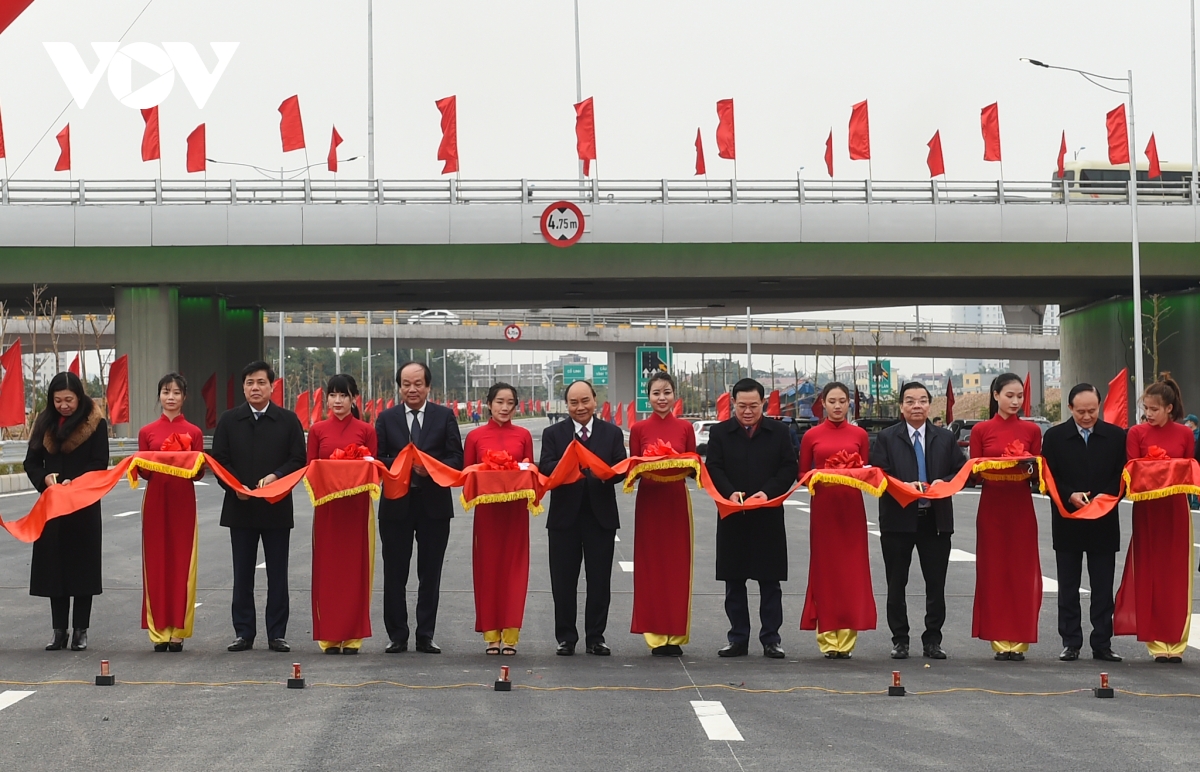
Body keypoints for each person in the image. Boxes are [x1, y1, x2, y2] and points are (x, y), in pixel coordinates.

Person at [211, 361, 306, 653]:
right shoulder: (229, 420)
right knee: (242, 574)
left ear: (272, 386)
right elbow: (219, 460)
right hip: (240, 508)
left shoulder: (288, 420)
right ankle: (243, 633)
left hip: (276, 507)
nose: (255, 387)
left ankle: (277, 634)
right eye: (250, 382)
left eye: (261, 382)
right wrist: (235, 487)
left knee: (277, 574)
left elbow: (298, 459)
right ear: (243, 387)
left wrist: (276, 476)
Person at [870, 381, 965, 660]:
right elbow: (878, 473)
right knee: (896, 583)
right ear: (901, 406)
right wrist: (903, 485)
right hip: (898, 520)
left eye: (922, 401)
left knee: (936, 584)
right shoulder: (887, 437)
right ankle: (900, 639)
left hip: (935, 520)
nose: (916, 406)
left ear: (929, 405)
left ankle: (932, 639)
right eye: (910, 401)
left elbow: (961, 471)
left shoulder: (944, 438)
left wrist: (944, 481)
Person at [705, 378, 799, 659]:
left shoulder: (779, 432)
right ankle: (738, 638)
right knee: (734, 581)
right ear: (733, 403)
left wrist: (767, 492)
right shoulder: (720, 433)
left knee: (770, 581)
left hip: (767, 515)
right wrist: (729, 492)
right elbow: (713, 467)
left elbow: (788, 468)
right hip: (732, 515)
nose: (747, 411)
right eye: (742, 406)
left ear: (763, 404)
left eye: (754, 406)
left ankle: (771, 639)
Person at [375, 362, 464, 654]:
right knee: (394, 573)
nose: (412, 389)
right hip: (396, 506)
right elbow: (377, 459)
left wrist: (430, 467)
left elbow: (456, 459)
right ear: (399, 387)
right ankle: (397, 634)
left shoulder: (444, 416)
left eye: (418, 384)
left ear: (428, 387)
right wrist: (404, 464)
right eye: (406, 384)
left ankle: (425, 635)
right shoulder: (386, 418)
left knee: (430, 573)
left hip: (434, 506)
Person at [539, 380, 627, 656]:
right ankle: (566, 637)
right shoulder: (553, 433)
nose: (580, 407)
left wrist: (599, 469)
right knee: (563, 581)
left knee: (599, 581)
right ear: (566, 405)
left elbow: (621, 468)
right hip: (564, 519)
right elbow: (546, 467)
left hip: (600, 518)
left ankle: (595, 637)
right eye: (574, 402)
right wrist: (572, 464)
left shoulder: (612, 433)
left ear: (594, 401)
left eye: (585, 401)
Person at [24, 372, 109, 652]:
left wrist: (77, 482)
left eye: (69, 400)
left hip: (83, 505)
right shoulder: (44, 422)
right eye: (58, 400)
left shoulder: (95, 423)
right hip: (53, 507)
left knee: (82, 568)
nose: (63, 405)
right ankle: (59, 630)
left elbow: (100, 462)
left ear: (79, 398)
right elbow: (31, 462)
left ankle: (81, 630)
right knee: (54, 568)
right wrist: (45, 479)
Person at [1041, 383, 1125, 663]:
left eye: (1092, 410)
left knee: (1102, 587)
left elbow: (1122, 474)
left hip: (1103, 521)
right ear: (1070, 408)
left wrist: (1105, 496)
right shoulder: (1054, 437)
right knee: (1068, 586)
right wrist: (1069, 495)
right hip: (1068, 521)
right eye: (1081, 412)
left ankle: (1102, 643)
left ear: (1099, 406)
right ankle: (1071, 642)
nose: (1087, 416)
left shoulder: (1115, 436)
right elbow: (1048, 477)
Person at [1114, 374, 1195, 662]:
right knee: (1150, 572)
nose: (1148, 414)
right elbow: (1132, 470)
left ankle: (1176, 641)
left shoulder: (1185, 434)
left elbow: (1188, 470)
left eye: (1154, 409)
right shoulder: (1136, 433)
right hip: (1147, 510)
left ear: (1169, 408)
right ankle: (1157, 642)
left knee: (1177, 574)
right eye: (1145, 408)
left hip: (1175, 509)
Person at [798, 382, 875, 659]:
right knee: (826, 572)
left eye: (843, 401)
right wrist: (821, 477)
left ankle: (848, 640)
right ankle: (828, 639)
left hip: (852, 510)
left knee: (852, 573)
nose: (838, 406)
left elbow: (865, 470)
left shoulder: (860, 435)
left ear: (849, 403)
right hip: (824, 510)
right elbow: (802, 474)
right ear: (823, 403)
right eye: (832, 401)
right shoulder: (811, 436)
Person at [969, 373, 1044, 661]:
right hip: (992, 507)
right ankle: (1000, 641)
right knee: (994, 571)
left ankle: (1020, 640)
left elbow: (1037, 472)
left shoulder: (1032, 431)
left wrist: (1026, 466)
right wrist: (993, 466)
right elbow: (974, 472)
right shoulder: (981, 430)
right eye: (1009, 395)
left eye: (1019, 396)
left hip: (1021, 506)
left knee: (1022, 572)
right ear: (996, 395)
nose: (1015, 401)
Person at [627, 372, 697, 657]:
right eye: (656, 393)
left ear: (674, 395)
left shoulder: (685, 428)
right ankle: (655, 635)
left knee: (678, 566)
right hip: (650, 501)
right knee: (651, 565)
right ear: (648, 397)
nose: (662, 398)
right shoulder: (638, 429)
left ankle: (675, 634)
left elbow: (693, 465)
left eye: (667, 392)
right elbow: (632, 467)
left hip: (676, 500)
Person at [306, 374, 377, 655]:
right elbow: (310, 468)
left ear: (353, 399)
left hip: (357, 509)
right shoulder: (317, 430)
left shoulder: (366, 430)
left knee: (355, 569)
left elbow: (373, 469)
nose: (337, 401)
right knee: (328, 570)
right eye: (333, 395)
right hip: (327, 508)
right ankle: (330, 636)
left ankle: (353, 636)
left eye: (343, 395)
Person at [463, 382, 534, 655]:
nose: (505, 408)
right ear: (489, 404)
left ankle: (511, 636)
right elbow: (467, 473)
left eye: (510, 403)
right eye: (499, 402)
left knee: (515, 571)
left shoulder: (523, 435)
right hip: (487, 513)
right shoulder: (475, 437)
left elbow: (529, 470)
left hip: (516, 512)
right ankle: (491, 636)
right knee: (488, 570)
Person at [137, 373, 205, 652]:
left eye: (176, 392)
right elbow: (143, 472)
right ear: (159, 396)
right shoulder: (147, 432)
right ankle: (158, 631)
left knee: (182, 563)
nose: (171, 397)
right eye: (166, 392)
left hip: (183, 503)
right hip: (155, 502)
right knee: (156, 563)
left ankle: (178, 630)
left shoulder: (194, 432)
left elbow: (198, 473)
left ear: (184, 397)